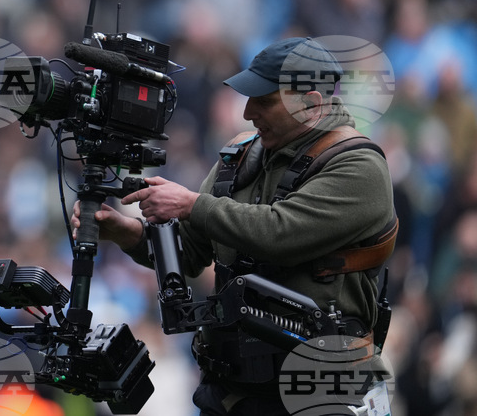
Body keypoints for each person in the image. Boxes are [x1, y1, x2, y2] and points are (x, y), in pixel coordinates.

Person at [72, 37, 396, 416]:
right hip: (231, 391)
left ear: (312, 102)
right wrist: (129, 234)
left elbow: (280, 234)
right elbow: (191, 255)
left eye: (264, 100)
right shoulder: (239, 156)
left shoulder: (358, 166)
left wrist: (192, 203)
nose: (247, 112)